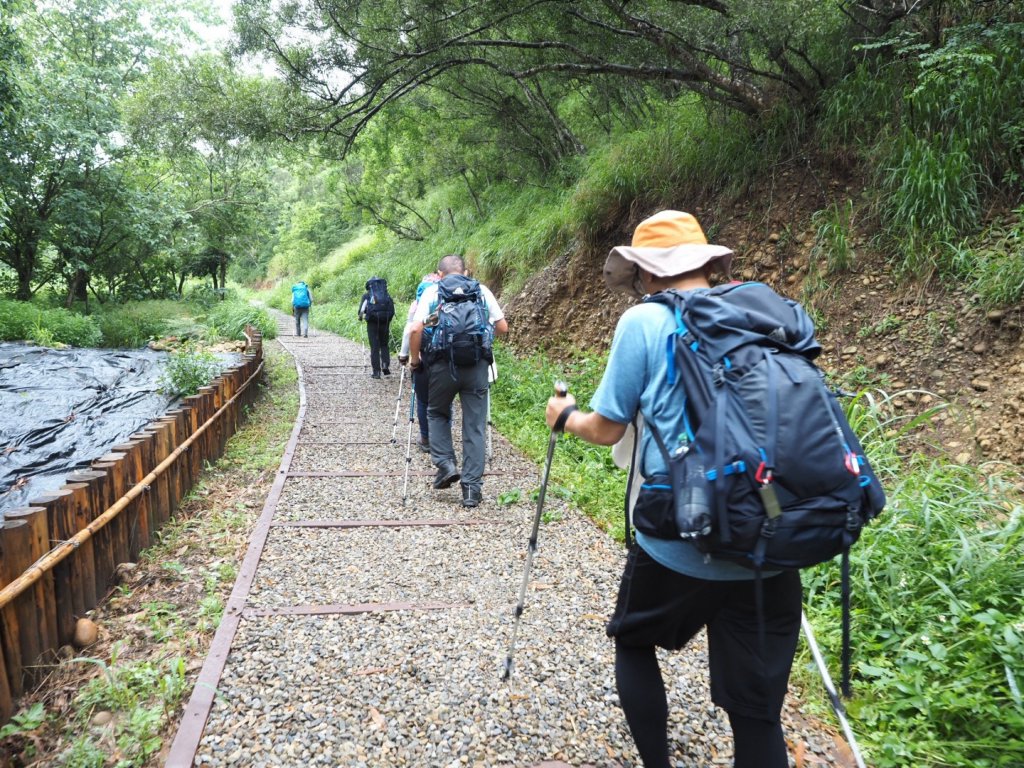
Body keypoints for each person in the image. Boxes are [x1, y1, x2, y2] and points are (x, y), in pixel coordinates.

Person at [544, 210, 802, 768]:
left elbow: (607, 428)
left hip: (677, 536)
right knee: (757, 712)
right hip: (769, 529)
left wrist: (564, 416)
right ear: (710, 264)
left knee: (634, 642)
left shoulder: (643, 322)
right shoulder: (762, 311)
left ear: (646, 275)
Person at [408, 255, 508, 507]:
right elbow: (503, 327)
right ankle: (472, 490)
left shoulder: (433, 291)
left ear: (439, 274)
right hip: (476, 365)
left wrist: (415, 360)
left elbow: (415, 329)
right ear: (466, 271)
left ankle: (446, 464)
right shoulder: (482, 290)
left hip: (442, 365)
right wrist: (482, 338)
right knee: (474, 425)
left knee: (436, 412)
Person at [399, 271, 441, 452]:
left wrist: (405, 354)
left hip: (423, 356)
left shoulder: (417, 304)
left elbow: (410, 330)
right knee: (443, 399)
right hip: (444, 356)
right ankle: (441, 437)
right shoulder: (446, 299)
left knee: (423, 400)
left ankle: (425, 437)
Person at [358, 276, 396, 378]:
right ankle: (385, 364)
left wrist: (361, 317)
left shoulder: (366, 296)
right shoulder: (386, 295)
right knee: (384, 344)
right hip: (385, 321)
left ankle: (376, 372)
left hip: (372, 323)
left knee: (374, 347)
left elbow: (361, 311)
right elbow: (391, 308)